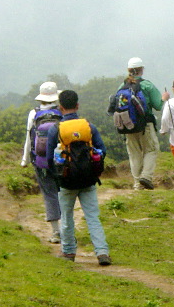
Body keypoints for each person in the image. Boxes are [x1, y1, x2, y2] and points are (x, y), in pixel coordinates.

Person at [46, 90, 111, 266]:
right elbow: (102, 151)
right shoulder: (89, 127)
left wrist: (57, 176)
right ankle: (102, 252)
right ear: (77, 105)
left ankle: (68, 252)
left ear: (60, 107)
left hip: (66, 182)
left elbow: (48, 158)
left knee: (66, 217)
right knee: (92, 217)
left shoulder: (56, 129)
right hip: (88, 180)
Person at [114, 57, 169, 190]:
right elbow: (157, 105)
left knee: (134, 154)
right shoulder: (147, 85)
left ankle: (137, 183)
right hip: (145, 125)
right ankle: (146, 176)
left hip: (128, 125)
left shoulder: (122, 86)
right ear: (141, 70)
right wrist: (164, 98)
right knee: (151, 149)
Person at [21, 81, 62, 243]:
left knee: (49, 194)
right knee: (63, 193)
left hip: (40, 161)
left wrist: (25, 160)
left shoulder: (34, 114)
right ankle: (67, 228)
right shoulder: (61, 113)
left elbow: (29, 139)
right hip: (61, 161)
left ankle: (55, 232)